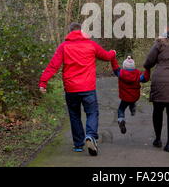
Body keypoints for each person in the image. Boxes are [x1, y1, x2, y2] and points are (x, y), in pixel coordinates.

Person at [38, 22, 116, 156]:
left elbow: (53, 66)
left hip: (71, 88)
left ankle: (78, 144)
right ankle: (90, 135)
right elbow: (106, 56)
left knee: (74, 115)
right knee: (92, 113)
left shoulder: (64, 46)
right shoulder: (91, 45)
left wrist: (43, 82)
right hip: (88, 88)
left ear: (69, 32)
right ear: (81, 32)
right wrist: (113, 53)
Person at [111, 56, 150, 134]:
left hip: (125, 97)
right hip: (134, 97)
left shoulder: (121, 73)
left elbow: (115, 68)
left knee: (121, 109)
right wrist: (147, 69)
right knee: (132, 102)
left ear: (124, 66)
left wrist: (113, 58)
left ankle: (121, 120)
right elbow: (145, 78)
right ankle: (132, 109)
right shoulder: (138, 74)